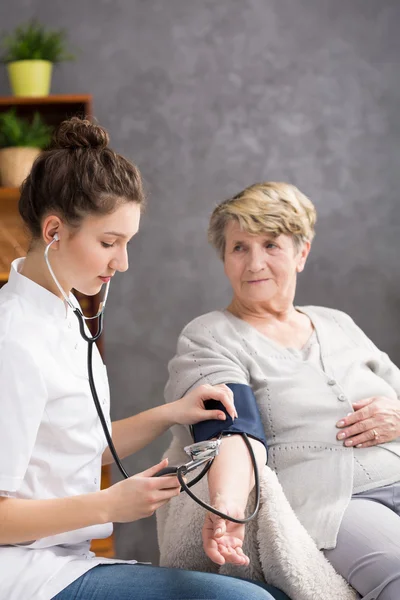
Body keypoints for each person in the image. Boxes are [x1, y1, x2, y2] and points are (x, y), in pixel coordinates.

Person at [0, 121, 288, 600]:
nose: (122, 262)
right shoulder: (13, 340)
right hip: (23, 573)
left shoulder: (64, 312)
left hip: (63, 561)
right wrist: (109, 504)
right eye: (109, 242)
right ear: (53, 231)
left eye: (127, 243)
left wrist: (170, 414)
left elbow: (70, 441)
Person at [160, 182, 400, 600]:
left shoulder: (337, 322)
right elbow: (230, 431)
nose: (254, 263)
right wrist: (229, 503)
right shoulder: (209, 336)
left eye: (271, 245)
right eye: (239, 248)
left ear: (301, 253)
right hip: (336, 502)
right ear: (224, 258)